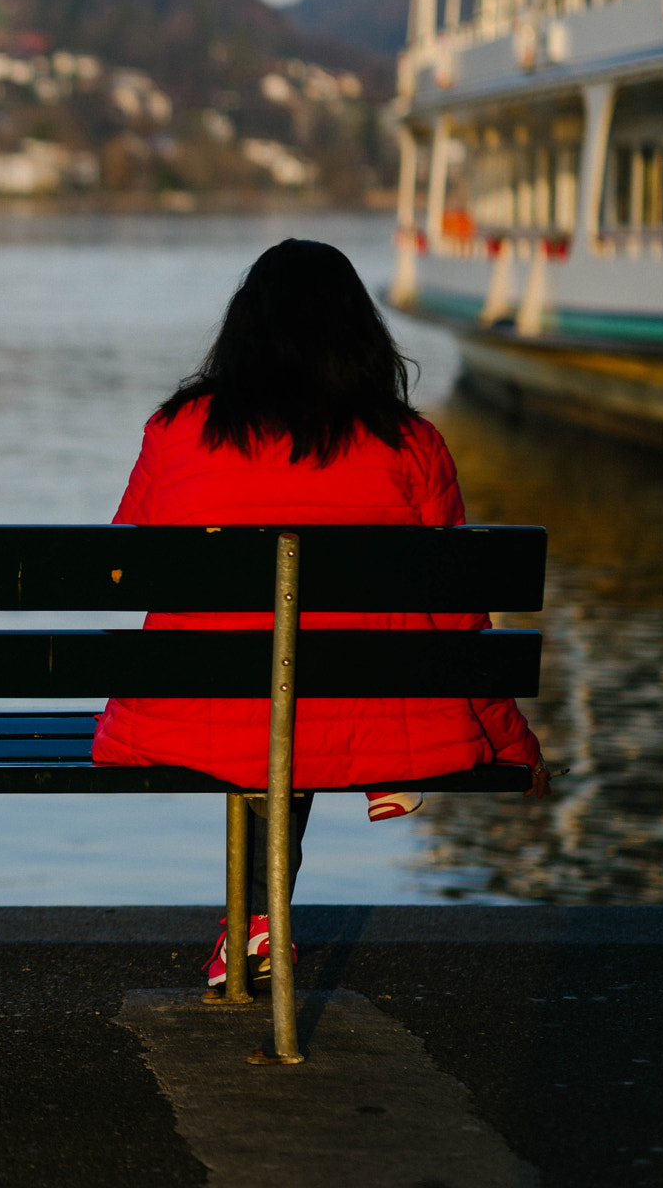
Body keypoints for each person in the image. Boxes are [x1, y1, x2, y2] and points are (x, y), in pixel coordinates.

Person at [91, 238, 550, 989]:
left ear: (241, 329)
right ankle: (288, 889)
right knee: (309, 687)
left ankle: (258, 927)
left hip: (199, 700)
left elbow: (119, 578)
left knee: (268, 685)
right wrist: (510, 737)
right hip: (353, 701)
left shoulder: (178, 431)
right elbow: (461, 621)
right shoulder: (411, 444)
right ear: (360, 332)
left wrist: (138, 675)